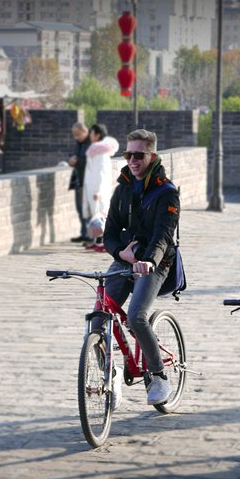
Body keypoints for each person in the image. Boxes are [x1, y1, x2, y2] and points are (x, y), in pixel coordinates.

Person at [98, 129, 180, 409]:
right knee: (98, 315)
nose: (132, 160)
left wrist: (149, 261)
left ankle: (158, 376)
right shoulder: (122, 189)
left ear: (152, 156)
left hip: (156, 263)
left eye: (138, 155)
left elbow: (163, 235)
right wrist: (119, 253)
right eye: (128, 154)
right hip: (125, 259)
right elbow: (109, 232)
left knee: (135, 316)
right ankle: (111, 374)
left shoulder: (167, 193)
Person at [82, 123, 119, 252]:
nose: (90, 136)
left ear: (97, 135)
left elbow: (100, 174)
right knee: (95, 215)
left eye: (91, 133)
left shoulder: (101, 154)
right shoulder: (97, 151)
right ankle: (97, 241)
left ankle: (103, 242)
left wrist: (98, 191)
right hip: (93, 187)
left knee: (100, 215)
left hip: (98, 189)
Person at [68, 122, 91, 243]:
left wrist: (76, 161)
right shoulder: (79, 143)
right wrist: (71, 159)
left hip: (87, 181)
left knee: (86, 209)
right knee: (79, 208)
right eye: (74, 135)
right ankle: (84, 232)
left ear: (84, 131)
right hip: (78, 180)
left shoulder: (90, 144)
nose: (76, 137)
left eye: (78, 134)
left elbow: (89, 163)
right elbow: (75, 155)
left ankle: (90, 235)